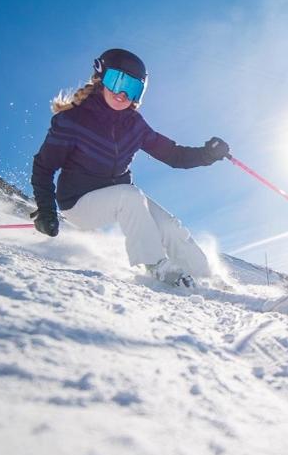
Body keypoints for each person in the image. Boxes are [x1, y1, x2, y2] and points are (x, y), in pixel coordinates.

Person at [30, 48, 230, 287]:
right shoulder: (73, 120)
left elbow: (174, 155)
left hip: (122, 198)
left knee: (170, 226)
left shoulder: (134, 125)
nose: (123, 94)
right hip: (78, 203)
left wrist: (207, 154)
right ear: (100, 78)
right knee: (130, 196)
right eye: (117, 81)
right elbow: (44, 167)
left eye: (133, 88)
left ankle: (206, 277)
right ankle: (156, 265)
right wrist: (46, 209)